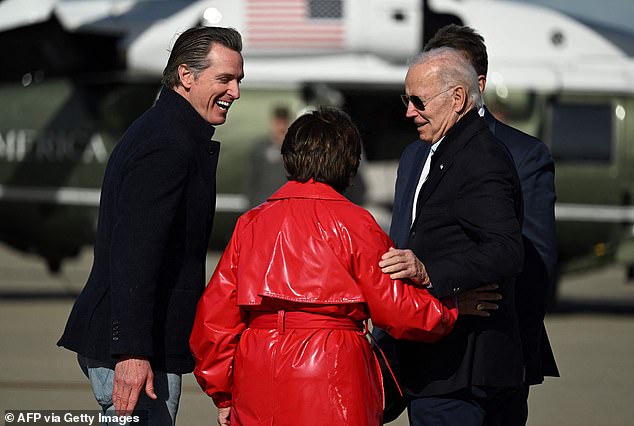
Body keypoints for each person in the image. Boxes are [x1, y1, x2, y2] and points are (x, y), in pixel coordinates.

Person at [189, 107, 501, 426]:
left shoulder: (250, 224)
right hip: (333, 368)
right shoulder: (357, 225)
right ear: (350, 164)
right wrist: (450, 308)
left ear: (289, 157)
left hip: (258, 368)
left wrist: (223, 394)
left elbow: (214, 322)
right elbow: (398, 309)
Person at [57, 26, 244, 425]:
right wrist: (132, 352)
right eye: (224, 79)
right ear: (186, 76)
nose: (235, 93)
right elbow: (134, 253)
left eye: (238, 80)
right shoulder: (167, 143)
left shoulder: (168, 130)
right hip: (136, 353)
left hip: (143, 344)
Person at [377, 47, 525, 425]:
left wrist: (431, 273)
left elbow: (506, 250)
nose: (409, 111)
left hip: (459, 373)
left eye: (418, 100)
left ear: (457, 98)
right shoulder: (432, 151)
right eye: (405, 99)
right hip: (437, 368)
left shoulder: (480, 157)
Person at [423, 24, 560, 425]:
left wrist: (513, 354)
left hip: (495, 364)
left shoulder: (523, 154)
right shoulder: (415, 155)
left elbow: (535, 264)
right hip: (427, 357)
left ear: (476, 84)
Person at [244, 105, 291, 208]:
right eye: (278, 123)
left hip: (286, 206)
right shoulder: (259, 148)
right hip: (262, 205)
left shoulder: (295, 150)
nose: (281, 127)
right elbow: (251, 179)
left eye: (284, 123)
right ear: (272, 123)